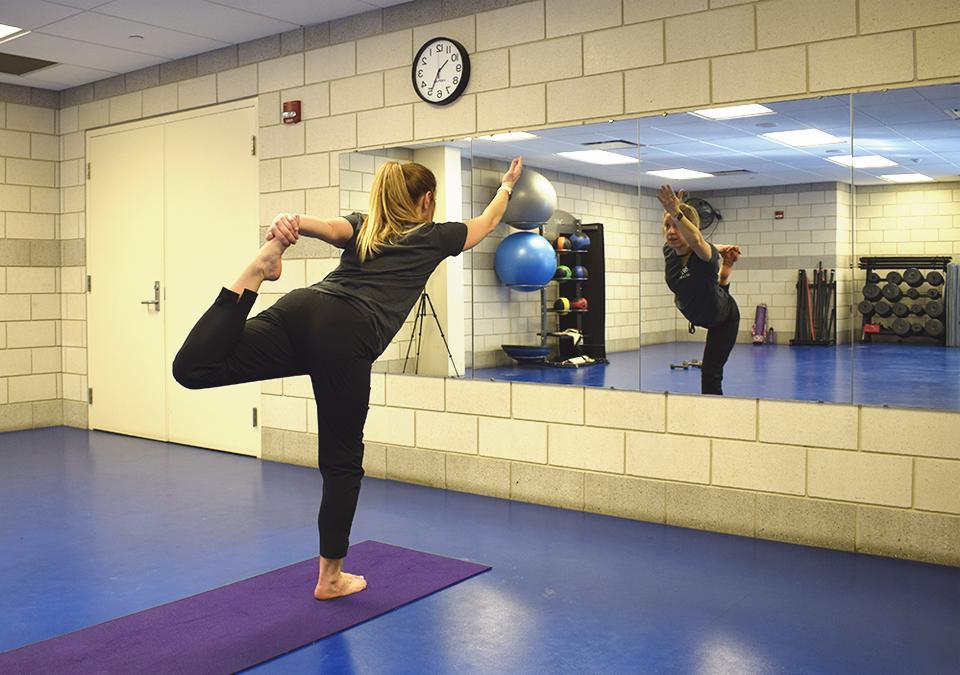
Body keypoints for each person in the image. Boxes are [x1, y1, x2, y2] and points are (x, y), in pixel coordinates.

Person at [173, 156, 524, 600]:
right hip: (346, 336)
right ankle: (330, 578)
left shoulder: (362, 227)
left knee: (194, 369)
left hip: (302, 309)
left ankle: (254, 272)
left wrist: (289, 223)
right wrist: (507, 185)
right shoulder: (437, 236)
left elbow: (321, 226)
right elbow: (488, 221)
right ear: (427, 200)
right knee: (342, 463)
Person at [657, 184, 741, 395]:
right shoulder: (669, 250)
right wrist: (721, 248)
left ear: (689, 227)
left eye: (676, 226)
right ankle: (725, 273)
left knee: (711, 374)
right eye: (667, 226)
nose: (671, 232)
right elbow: (695, 240)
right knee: (713, 291)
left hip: (724, 319)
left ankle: (714, 420)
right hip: (707, 306)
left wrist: (676, 211)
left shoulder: (703, 255)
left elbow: (696, 241)